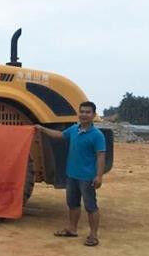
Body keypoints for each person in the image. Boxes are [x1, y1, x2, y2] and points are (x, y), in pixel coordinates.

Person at [36, 101, 106, 246]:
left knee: (91, 206)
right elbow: (60, 135)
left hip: (87, 177)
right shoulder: (74, 129)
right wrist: (42, 129)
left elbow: (101, 156)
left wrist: (99, 176)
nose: (84, 115)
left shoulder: (97, 135)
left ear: (93, 115)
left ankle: (93, 235)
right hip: (72, 175)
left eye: (88, 112)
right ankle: (72, 229)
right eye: (82, 111)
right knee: (73, 204)